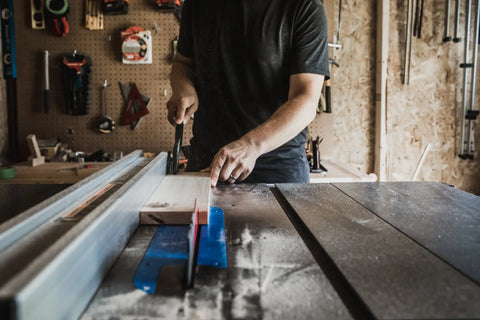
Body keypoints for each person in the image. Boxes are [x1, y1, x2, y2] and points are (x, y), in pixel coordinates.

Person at [167, 0, 329, 187]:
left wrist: (251, 145)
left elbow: (306, 98)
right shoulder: (198, 5)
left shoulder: (304, 6)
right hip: (207, 164)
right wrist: (183, 88)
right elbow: (182, 63)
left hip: (277, 171)